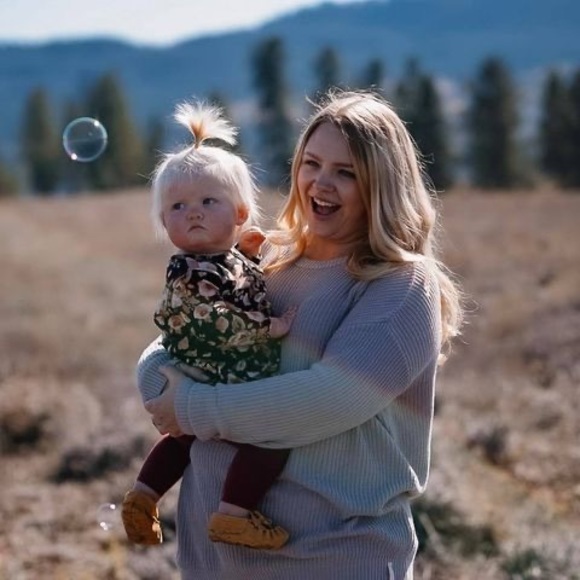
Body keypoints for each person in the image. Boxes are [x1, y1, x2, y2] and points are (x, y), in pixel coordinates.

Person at [138, 90, 464, 580]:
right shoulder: (263, 258)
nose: (321, 183)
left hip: (332, 559)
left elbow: (328, 399)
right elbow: (172, 344)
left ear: (382, 185)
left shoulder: (400, 284)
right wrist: (161, 385)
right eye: (312, 163)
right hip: (214, 562)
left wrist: (189, 406)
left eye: (346, 172)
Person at [121, 101, 295, 550]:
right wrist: (267, 327)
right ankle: (234, 515)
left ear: (240, 213)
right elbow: (216, 316)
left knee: (183, 437)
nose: (193, 213)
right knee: (272, 437)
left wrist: (247, 255)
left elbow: (230, 283)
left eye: (207, 202)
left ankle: (143, 497)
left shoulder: (216, 260)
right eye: (178, 206)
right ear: (165, 222)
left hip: (201, 368)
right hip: (220, 369)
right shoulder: (189, 269)